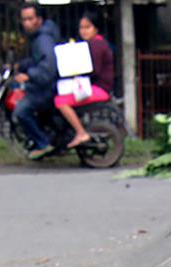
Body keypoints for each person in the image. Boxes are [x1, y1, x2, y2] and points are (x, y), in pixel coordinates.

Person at [53, 12, 115, 149]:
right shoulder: (93, 43)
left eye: (88, 27)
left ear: (96, 28)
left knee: (60, 101)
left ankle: (81, 133)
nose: (84, 31)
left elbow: (94, 70)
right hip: (95, 87)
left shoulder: (96, 45)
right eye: (82, 28)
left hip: (100, 89)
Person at [15, 3, 62, 159]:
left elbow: (48, 68)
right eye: (24, 19)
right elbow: (38, 60)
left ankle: (43, 143)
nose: (27, 22)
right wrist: (21, 65)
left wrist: (29, 75)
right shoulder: (39, 36)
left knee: (21, 111)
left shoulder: (43, 39)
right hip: (44, 84)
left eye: (30, 18)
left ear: (39, 19)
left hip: (47, 87)